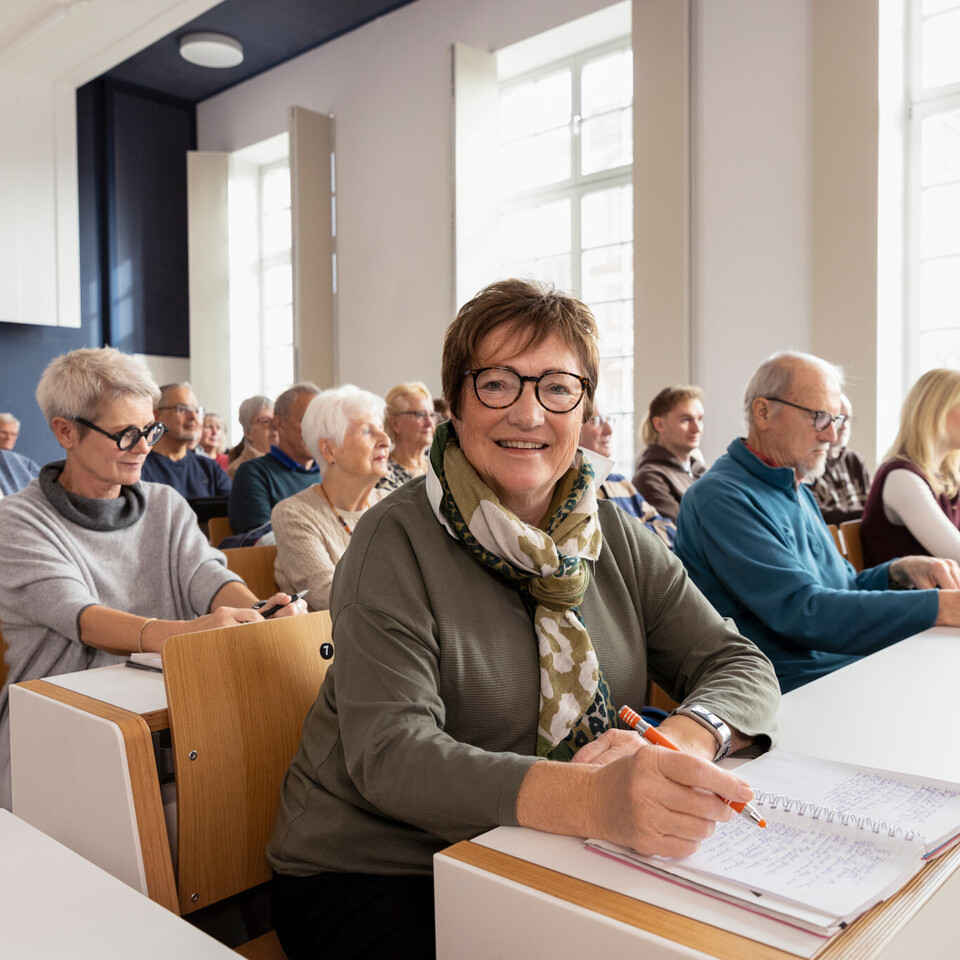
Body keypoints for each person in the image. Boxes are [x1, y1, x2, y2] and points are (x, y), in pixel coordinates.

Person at [268, 279, 779, 960]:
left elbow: (738, 663)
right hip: (379, 868)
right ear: (456, 404)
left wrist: (681, 744)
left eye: (557, 387)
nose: (529, 413)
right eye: (498, 384)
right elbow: (391, 756)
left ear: (585, 405)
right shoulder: (394, 540)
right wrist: (592, 799)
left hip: (555, 849)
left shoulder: (612, 534)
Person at [0, 347, 306, 810]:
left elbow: (207, 574)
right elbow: (80, 616)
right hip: (59, 730)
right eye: (126, 434)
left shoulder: (164, 503)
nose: (145, 446)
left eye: (149, 430)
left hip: (165, 718)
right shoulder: (17, 520)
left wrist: (256, 610)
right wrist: (184, 636)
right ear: (66, 431)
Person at [675, 351, 960, 694]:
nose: (833, 436)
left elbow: (843, 589)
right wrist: (936, 607)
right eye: (820, 418)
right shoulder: (721, 498)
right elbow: (804, 612)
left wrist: (898, 571)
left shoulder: (794, 486)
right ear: (763, 412)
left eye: (837, 420)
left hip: (840, 669)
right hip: (787, 689)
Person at [272, 385, 391, 611]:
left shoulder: (392, 504)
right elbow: (332, 596)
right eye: (367, 431)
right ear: (329, 450)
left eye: (382, 429)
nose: (385, 440)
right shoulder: (294, 514)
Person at [861, 369, 960, 567]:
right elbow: (955, 554)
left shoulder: (947, 477)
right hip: (911, 598)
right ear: (936, 411)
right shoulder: (902, 478)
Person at [579, 405, 676, 549]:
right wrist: (640, 527)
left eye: (608, 420)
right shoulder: (572, 490)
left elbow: (670, 532)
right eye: (596, 421)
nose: (609, 430)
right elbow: (605, 550)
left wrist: (628, 537)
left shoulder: (621, 482)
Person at [229, 383, 321, 534]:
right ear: (279, 423)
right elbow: (259, 540)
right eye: (305, 420)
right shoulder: (254, 474)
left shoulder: (330, 474)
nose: (315, 429)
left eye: (320, 422)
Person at [140, 383, 231, 497]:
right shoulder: (138, 466)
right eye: (183, 409)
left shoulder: (209, 469)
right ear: (157, 415)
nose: (193, 417)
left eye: (197, 411)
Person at [632, 385, 705, 521]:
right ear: (659, 424)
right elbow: (680, 535)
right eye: (686, 420)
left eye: (700, 419)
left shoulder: (700, 471)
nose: (696, 428)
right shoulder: (651, 478)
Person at [809, 394, 871, 524]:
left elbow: (870, 503)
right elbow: (816, 515)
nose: (844, 426)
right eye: (838, 419)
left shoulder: (854, 460)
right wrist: (869, 515)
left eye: (847, 419)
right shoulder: (810, 461)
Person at [376, 381, 436, 492]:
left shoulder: (438, 467)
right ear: (395, 423)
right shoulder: (383, 475)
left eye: (432, 415)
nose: (430, 423)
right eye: (421, 414)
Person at [227, 395, 279, 481]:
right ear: (247, 432)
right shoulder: (238, 470)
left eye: (275, 421)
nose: (273, 426)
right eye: (265, 421)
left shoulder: (287, 462)